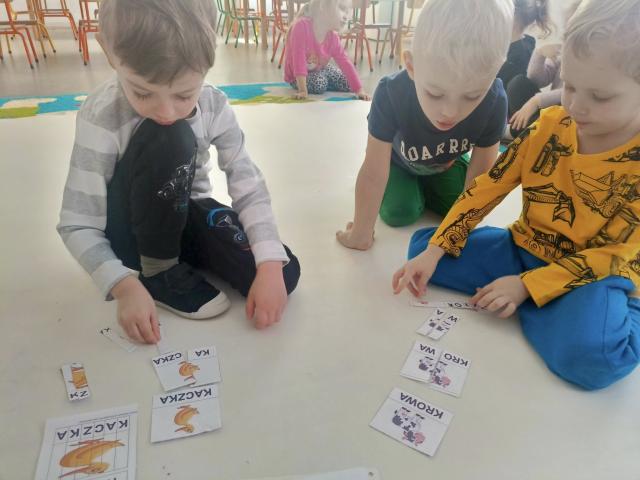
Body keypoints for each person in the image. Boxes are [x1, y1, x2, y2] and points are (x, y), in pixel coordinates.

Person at [393, 0, 640, 390]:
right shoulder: (549, 125)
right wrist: (437, 250)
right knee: (423, 249)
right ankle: (548, 312)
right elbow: (488, 187)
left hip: (591, 277)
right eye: (569, 86)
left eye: (600, 96)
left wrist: (528, 287)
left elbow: (615, 255)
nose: (576, 105)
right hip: (523, 248)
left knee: (595, 360)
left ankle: (581, 311)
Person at [57, 0, 300, 343]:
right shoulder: (102, 115)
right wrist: (123, 285)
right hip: (131, 236)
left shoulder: (214, 104)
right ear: (109, 53)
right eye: (143, 92)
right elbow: (76, 223)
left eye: (184, 95)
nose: (166, 111)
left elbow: (247, 183)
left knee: (284, 270)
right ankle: (157, 272)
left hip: (182, 214)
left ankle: (176, 261)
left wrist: (269, 265)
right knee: (168, 136)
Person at [336, 0, 513, 250]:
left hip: (445, 165)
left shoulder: (495, 99)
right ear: (411, 66)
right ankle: (416, 189)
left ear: (495, 73)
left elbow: (480, 178)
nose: (450, 112)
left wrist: (457, 235)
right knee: (400, 212)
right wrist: (361, 233)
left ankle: (429, 188)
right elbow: (374, 171)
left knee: (463, 209)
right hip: (399, 164)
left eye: (472, 96)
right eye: (435, 93)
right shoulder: (391, 93)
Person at [284, 0, 370, 100]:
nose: (346, 16)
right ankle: (323, 78)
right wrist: (303, 90)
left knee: (347, 83)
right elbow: (298, 60)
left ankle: (324, 77)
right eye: (342, 9)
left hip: (319, 68)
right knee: (320, 83)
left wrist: (359, 90)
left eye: (347, 11)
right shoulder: (301, 26)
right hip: (296, 77)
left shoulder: (333, 37)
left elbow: (345, 62)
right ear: (323, 6)